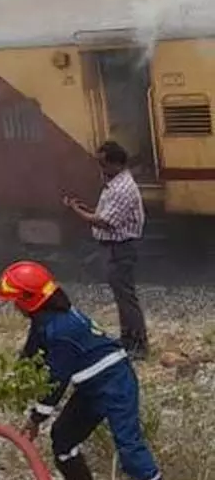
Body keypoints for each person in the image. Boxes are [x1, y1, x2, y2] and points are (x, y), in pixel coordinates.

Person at [0, 260, 163, 480]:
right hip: (91, 388)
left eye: (15, 301)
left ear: (29, 300)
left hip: (116, 385)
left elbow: (56, 381)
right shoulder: (45, 318)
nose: (14, 307)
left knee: (130, 451)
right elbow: (31, 352)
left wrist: (36, 418)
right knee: (63, 438)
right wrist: (14, 381)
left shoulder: (62, 330)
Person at [62, 140, 149, 359]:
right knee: (122, 296)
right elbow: (106, 214)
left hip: (119, 249)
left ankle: (137, 344)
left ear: (115, 164)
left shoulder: (121, 188)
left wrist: (75, 211)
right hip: (116, 248)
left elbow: (104, 222)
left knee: (126, 297)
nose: (100, 168)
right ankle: (129, 339)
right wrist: (87, 209)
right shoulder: (117, 184)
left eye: (103, 164)